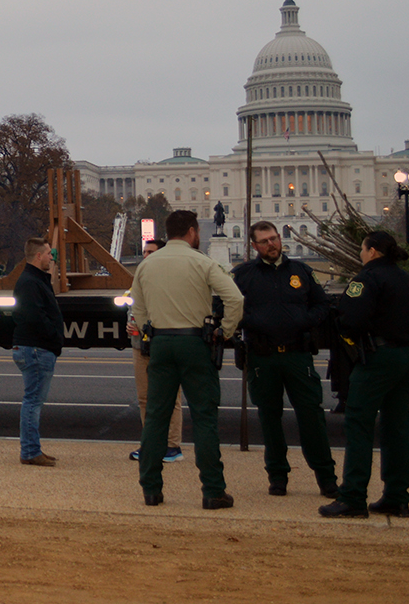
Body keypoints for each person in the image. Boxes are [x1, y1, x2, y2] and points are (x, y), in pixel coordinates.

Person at [131, 211, 243, 509]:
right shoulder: (203, 262)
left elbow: (138, 310)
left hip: (161, 342)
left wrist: (147, 333)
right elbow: (235, 299)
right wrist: (225, 331)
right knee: (205, 418)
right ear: (192, 231)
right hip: (195, 342)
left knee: (156, 417)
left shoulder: (147, 265)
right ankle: (213, 490)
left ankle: (151, 489)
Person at [320, 230, 409, 519]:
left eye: (363, 250)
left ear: (374, 251)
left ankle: (352, 496)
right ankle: (396, 496)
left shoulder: (366, 279)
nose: (361, 254)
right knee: (397, 429)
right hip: (406, 355)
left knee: (359, 425)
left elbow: (350, 319)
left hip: (378, 357)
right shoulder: (408, 279)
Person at [234, 221, 338, 499]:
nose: (271, 245)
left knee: (311, 417)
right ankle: (277, 476)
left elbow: (322, 304)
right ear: (254, 246)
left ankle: (326, 477)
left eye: (274, 239)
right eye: (264, 241)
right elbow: (225, 306)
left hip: (297, 355)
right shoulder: (243, 276)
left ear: (280, 239)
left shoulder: (301, 271)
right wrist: (252, 322)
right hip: (262, 356)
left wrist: (305, 321)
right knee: (269, 419)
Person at [128, 240, 184, 463]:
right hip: (140, 346)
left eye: (151, 252)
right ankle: (150, 442)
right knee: (145, 398)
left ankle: (172, 445)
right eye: (144, 252)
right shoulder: (139, 279)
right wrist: (130, 324)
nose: (146, 256)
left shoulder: (172, 280)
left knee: (171, 398)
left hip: (164, 344)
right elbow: (133, 308)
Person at [11, 238, 62, 466]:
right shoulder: (30, 282)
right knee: (33, 401)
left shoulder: (34, 280)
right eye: (49, 254)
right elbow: (35, 317)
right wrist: (53, 336)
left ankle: (32, 448)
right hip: (36, 348)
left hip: (35, 347)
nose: (52, 258)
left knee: (32, 400)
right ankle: (30, 451)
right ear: (38, 256)